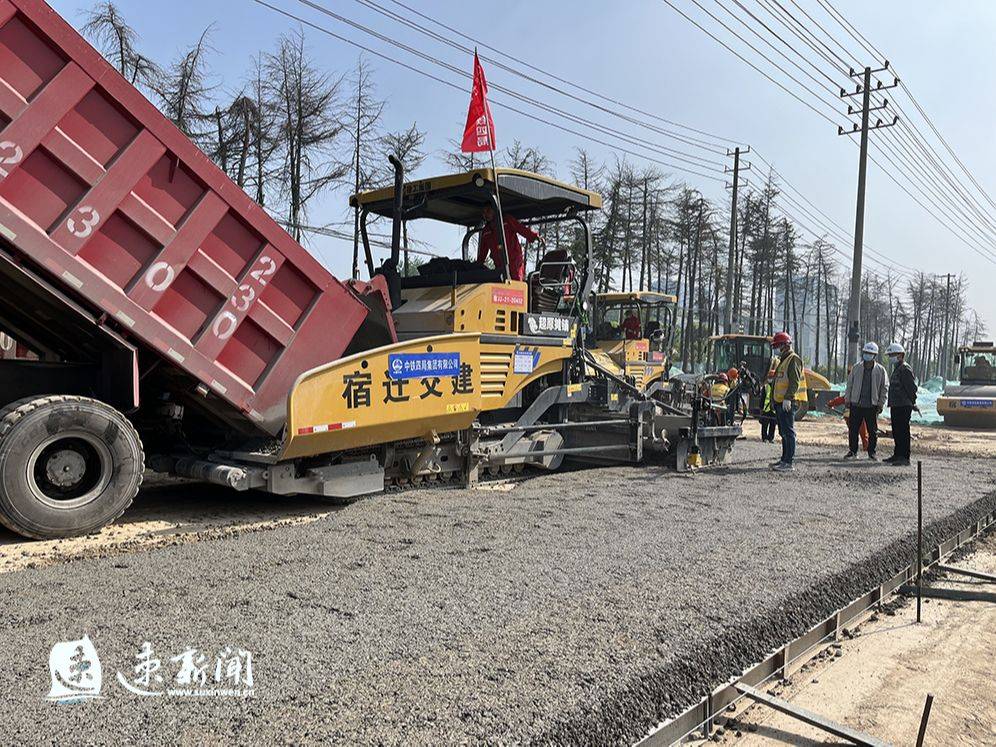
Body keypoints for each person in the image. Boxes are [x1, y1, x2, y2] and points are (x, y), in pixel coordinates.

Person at [769, 331, 807, 471]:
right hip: (780, 402)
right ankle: (784, 459)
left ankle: (788, 462)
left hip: (788, 403)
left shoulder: (793, 359)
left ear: (785, 345)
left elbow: (794, 382)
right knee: (783, 432)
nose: (777, 349)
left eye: (778, 346)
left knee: (788, 432)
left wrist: (788, 398)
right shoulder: (783, 360)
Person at [843, 341, 888, 460]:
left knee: (872, 431)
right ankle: (853, 451)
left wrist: (880, 403)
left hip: (871, 405)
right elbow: (850, 384)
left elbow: (884, 388)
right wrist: (847, 399)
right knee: (853, 429)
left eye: (870, 353)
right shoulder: (856, 368)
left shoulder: (881, 370)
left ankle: (871, 452)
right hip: (856, 404)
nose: (867, 355)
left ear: (874, 355)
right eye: (865, 352)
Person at [476, 206, 539, 281]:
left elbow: (520, 228)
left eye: (488, 211)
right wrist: (477, 266)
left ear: (495, 210)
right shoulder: (486, 231)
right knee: (502, 285)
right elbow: (483, 252)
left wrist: (534, 236)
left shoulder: (507, 221)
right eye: (483, 212)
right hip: (500, 265)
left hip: (514, 262)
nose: (486, 214)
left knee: (516, 284)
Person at [885, 342, 917, 466]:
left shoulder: (905, 369)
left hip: (904, 405)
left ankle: (904, 457)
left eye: (893, 354)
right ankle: (897, 454)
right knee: (896, 430)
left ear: (900, 355)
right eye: (890, 355)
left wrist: (912, 402)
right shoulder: (897, 369)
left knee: (903, 431)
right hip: (896, 405)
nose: (891, 357)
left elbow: (911, 388)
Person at [760, 367, 777, 443]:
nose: (770, 379)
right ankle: (764, 438)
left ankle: (770, 438)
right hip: (766, 409)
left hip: (773, 409)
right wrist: (761, 408)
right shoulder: (765, 387)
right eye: (769, 377)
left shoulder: (777, 387)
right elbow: (762, 398)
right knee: (765, 424)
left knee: (773, 424)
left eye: (772, 377)